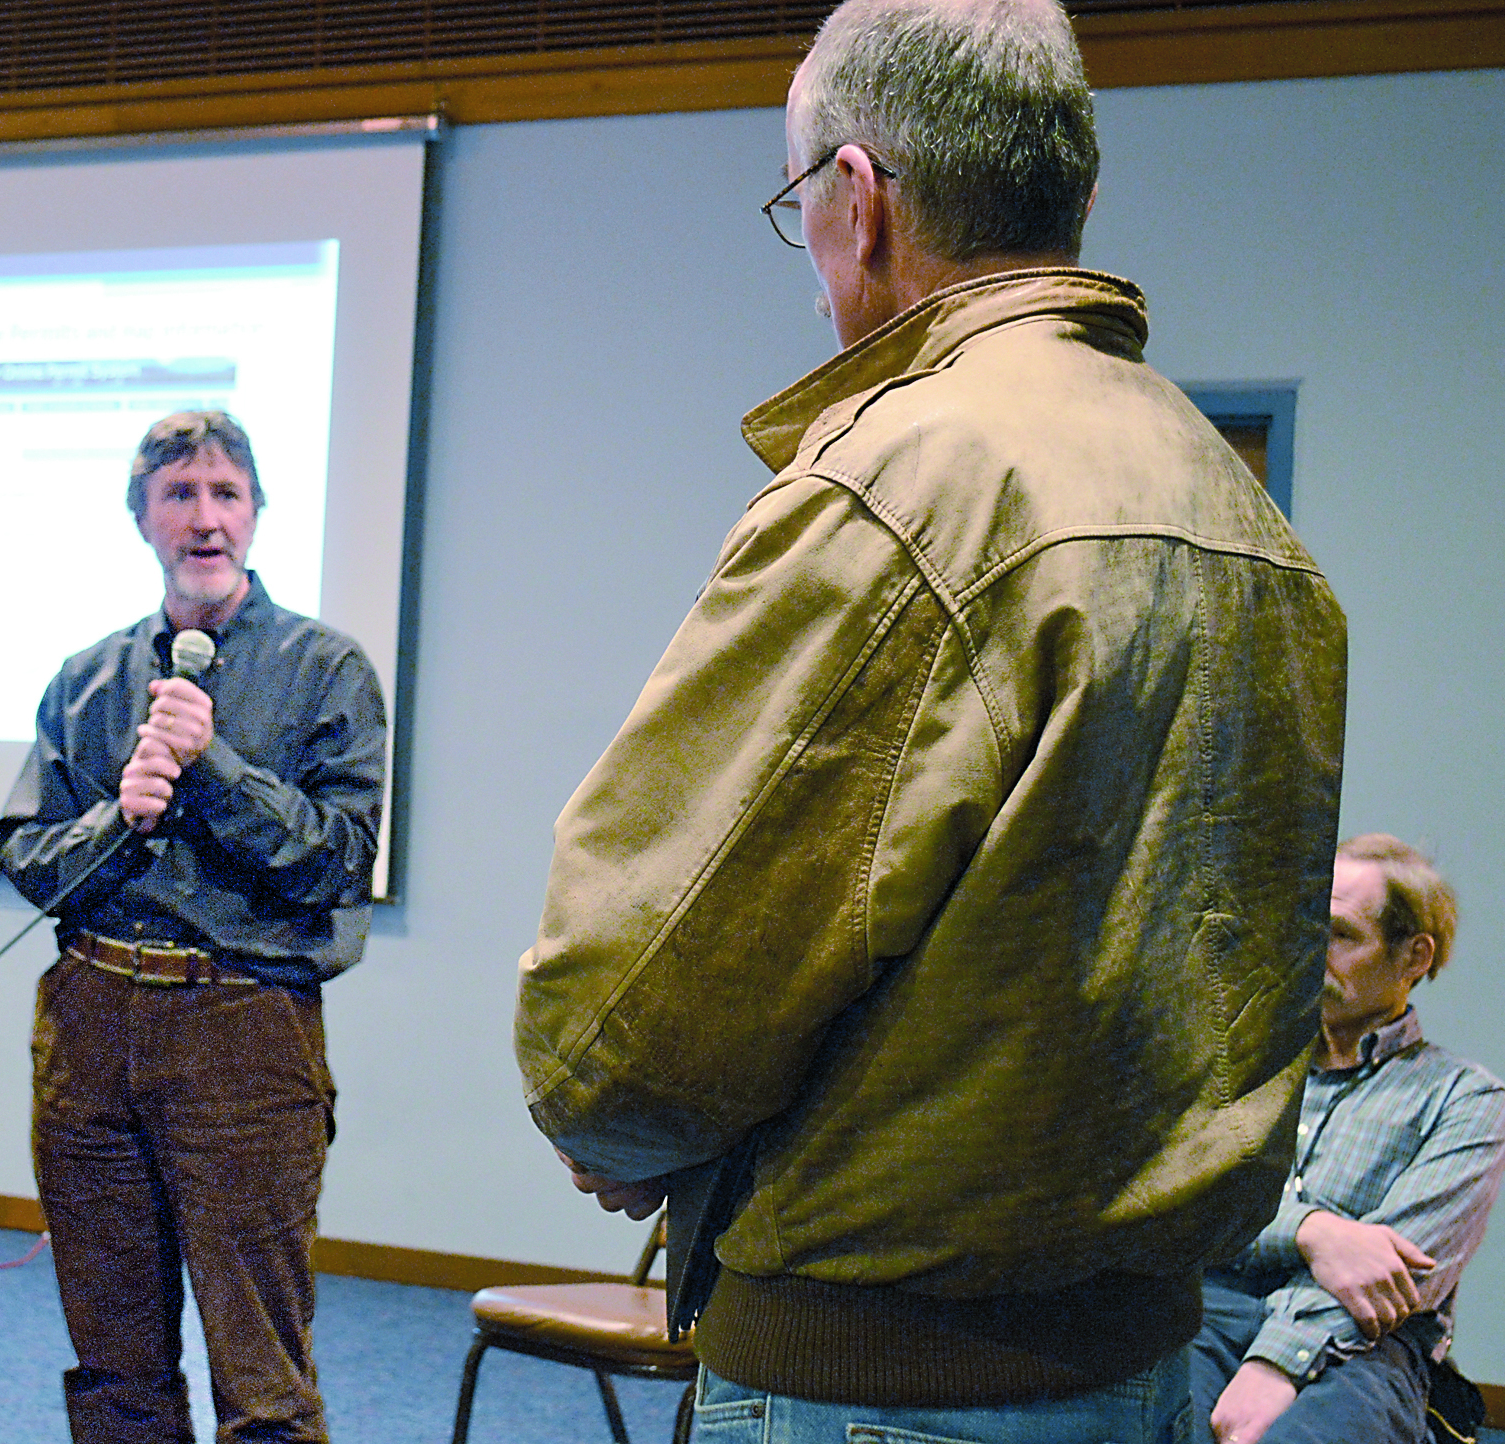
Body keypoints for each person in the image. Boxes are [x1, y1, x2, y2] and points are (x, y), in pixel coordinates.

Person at [512, 1, 1348, 1440]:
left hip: (878, 1380)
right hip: (1137, 1359)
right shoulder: (1235, 504)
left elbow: (636, 1000)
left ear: (855, 201)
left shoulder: (901, 483)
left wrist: (610, 1121)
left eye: (798, 210)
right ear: (1072, 195)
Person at [0, 410, 386, 1444]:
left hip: (242, 1036)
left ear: (257, 514)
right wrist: (114, 816)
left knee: (262, 1386)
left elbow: (340, 861)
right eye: (179, 495)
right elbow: (26, 856)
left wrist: (211, 768)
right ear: (143, 520)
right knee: (115, 1372)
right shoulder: (84, 679)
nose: (204, 518)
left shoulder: (325, 670)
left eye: (225, 494)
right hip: (87, 1029)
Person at [1191, 835, 1505, 1444]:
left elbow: (1395, 1284)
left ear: (1414, 957)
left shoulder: (1464, 1098)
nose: (1309, 950)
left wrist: (1275, 1362)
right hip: (1207, 1315)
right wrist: (1312, 1232)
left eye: (1339, 933)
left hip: (1364, 1347)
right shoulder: (1237, 1068)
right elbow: (1189, 1212)